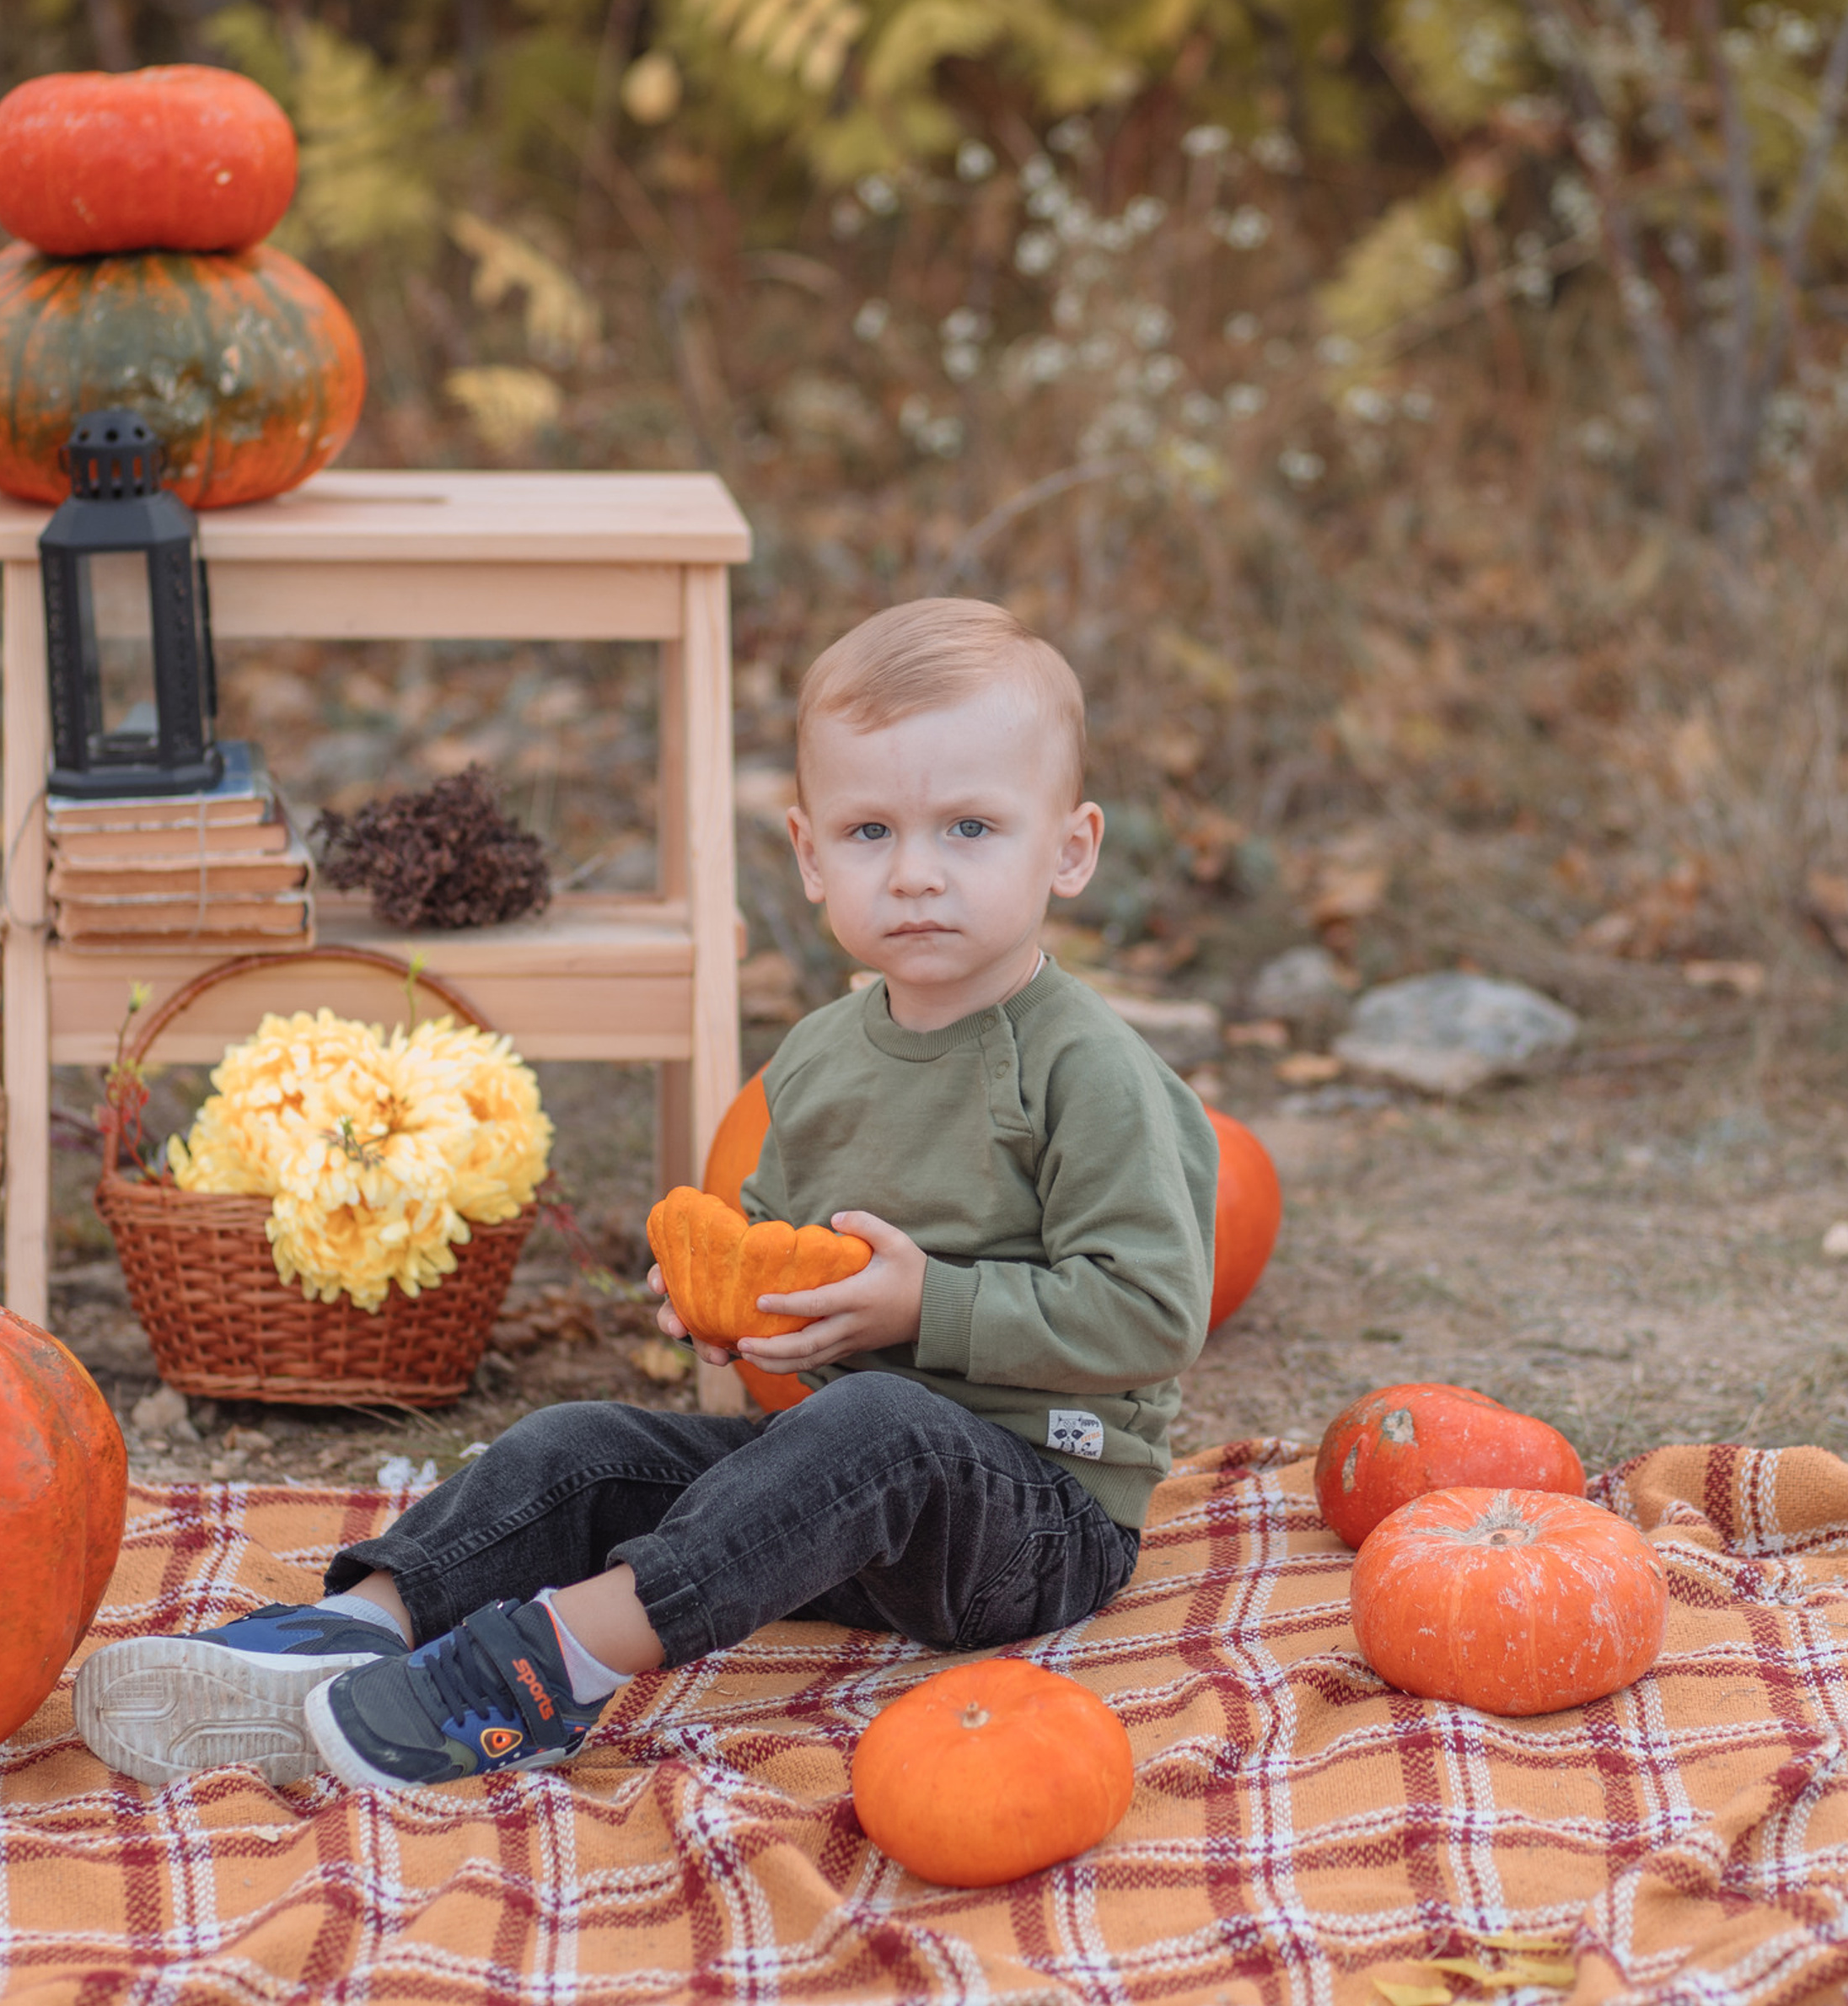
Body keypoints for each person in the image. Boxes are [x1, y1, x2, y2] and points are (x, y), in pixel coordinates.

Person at [75, 597, 1217, 1790]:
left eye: (971, 828)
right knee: (585, 1444)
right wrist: (730, 1299)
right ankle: (362, 1629)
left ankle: (542, 1673)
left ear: (1069, 849)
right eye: (872, 831)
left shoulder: (1087, 1069)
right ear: (811, 854)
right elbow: (787, 1264)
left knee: (877, 1424)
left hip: (1035, 1519)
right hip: (835, 1501)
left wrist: (925, 1304)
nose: (918, 874)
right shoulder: (821, 1058)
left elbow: (1150, 1314)